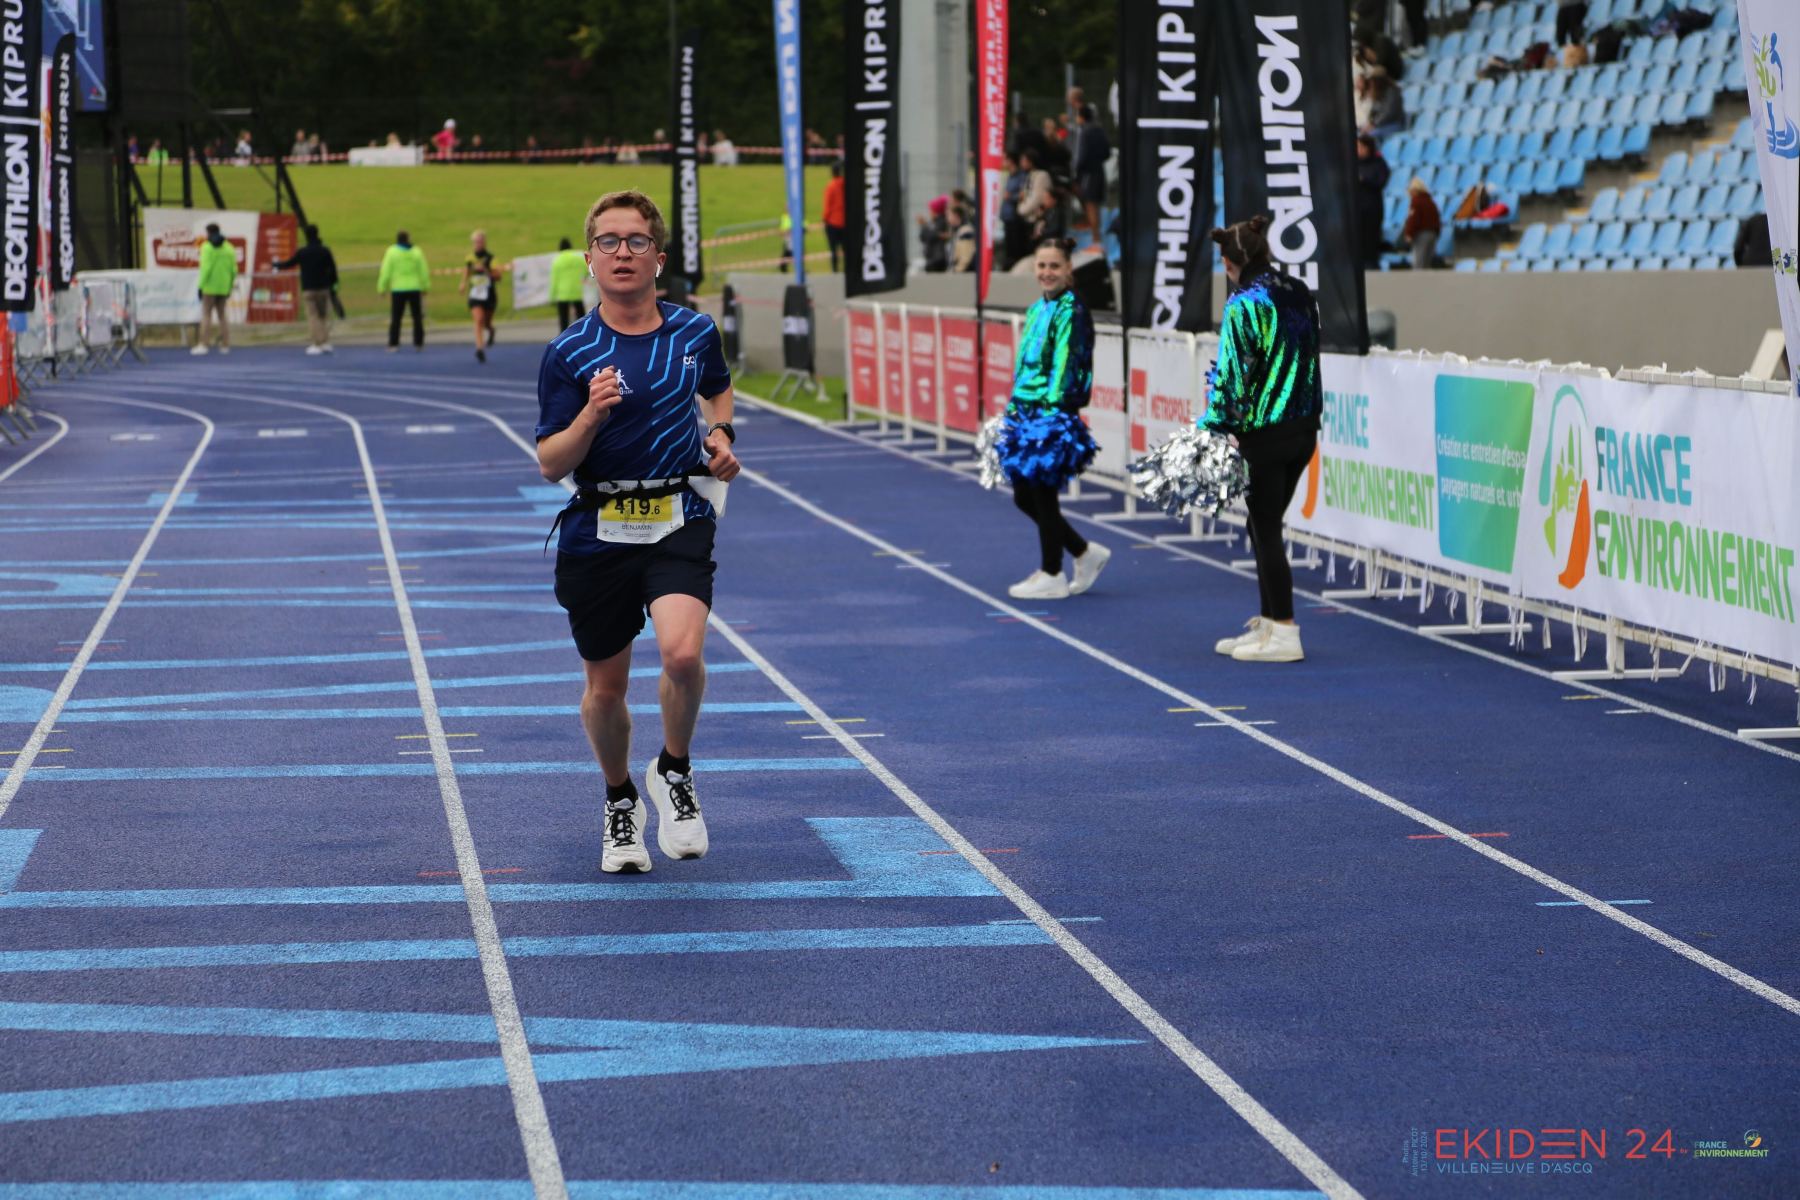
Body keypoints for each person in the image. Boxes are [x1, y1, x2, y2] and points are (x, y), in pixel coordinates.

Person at [534, 189, 742, 875]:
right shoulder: (569, 351)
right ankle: (620, 797)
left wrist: (721, 433)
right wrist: (590, 416)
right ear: (589, 258)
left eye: (636, 241)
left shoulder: (694, 332)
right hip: (599, 526)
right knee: (606, 689)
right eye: (608, 241)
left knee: (682, 655)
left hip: (680, 513)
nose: (622, 252)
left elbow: (717, 388)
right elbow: (550, 463)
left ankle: (674, 770)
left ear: (658, 257)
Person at [1204, 215, 1322, 664]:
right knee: (1262, 525)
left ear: (1228, 262)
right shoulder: (1299, 291)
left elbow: (1233, 374)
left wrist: (1214, 428)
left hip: (1266, 433)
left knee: (1266, 528)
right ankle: (1270, 624)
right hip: (1304, 429)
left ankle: (1286, 631)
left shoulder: (1242, 303)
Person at [998, 237, 1109, 601]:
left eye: (1054, 266)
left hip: (1050, 416)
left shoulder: (1072, 310)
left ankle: (1052, 572)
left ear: (1068, 269)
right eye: (1042, 265)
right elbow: (1024, 363)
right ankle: (1084, 552)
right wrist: (1014, 408)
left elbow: (1066, 365)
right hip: (1025, 413)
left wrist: (1051, 413)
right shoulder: (1036, 309)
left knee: (1043, 496)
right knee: (1023, 496)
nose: (1047, 272)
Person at [273, 223, 340, 354]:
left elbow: (290, 263)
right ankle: (325, 341)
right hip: (323, 288)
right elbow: (333, 269)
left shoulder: (303, 252)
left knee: (313, 316)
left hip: (309, 288)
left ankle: (317, 343)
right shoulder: (325, 251)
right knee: (324, 316)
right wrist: (333, 284)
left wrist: (277, 265)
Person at [377, 230, 430, 351]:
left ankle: (393, 343)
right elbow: (423, 270)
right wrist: (425, 286)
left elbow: (386, 270)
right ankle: (419, 343)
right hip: (414, 287)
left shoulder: (392, 252)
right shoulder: (416, 252)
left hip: (398, 288)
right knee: (417, 317)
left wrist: (382, 287)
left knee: (396, 317)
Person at [192, 223, 236, 356]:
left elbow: (206, 268)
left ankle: (204, 344)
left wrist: (201, 286)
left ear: (208, 233)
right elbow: (234, 269)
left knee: (206, 315)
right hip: (223, 286)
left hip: (209, 287)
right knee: (222, 316)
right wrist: (229, 285)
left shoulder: (207, 247)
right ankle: (225, 345)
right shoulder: (229, 248)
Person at [1072, 104, 1111, 241]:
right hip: (1099, 170)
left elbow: (1082, 155)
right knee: (1096, 204)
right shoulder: (1099, 129)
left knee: (1090, 204)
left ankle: (1096, 238)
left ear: (1081, 117)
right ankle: (1096, 235)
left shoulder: (1085, 132)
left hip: (1088, 173)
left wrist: (1078, 174)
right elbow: (1107, 152)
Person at [462, 229, 501, 363]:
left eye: (480, 242)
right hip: (475, 295)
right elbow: (467, 271)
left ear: (484, 242)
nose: (477, 244)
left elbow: (498, 276)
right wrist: (463, 283)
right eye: (475, 242)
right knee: (478, 320)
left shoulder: (491, 258)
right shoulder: (470, 258)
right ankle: (480, 349)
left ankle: (491, 330)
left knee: (486, 323)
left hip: (489, 295)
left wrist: (486, 271)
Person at [1355, 135, 1391, 268]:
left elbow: (1381, 182)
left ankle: (1372, 264)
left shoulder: (1378, 163)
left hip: (1372, 208)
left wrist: (1364, 180)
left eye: (1360, 146)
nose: (1357, 150)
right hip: (1356, 208)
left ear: (1367, 148)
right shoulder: (1353, 163)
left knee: (1371, 238)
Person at [1402, 178, 1441, 270]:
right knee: (1426, 263)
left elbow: (1413, 219)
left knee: (1418, 262)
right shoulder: (1430, 202)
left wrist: (1409, 233)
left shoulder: (1416, 202)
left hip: (1421, 235)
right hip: (1432, 234)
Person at [551, 236, 589, 329]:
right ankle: (584, 333)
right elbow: (587, 268)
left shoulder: (557, 260)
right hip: (576, 291)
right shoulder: (578, 258)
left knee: (563, 319)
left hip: (562, 293)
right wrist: (584, 277)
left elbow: (554, 280)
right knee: (581, 317)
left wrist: (552, 297)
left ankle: (564, 335)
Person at [822, 161, 847, 272]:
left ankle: (835, 269)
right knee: (846, 248)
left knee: (833, 249)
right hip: (845, 222)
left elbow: (827, 205)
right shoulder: (845, 185)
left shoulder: (830, 186)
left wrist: (825, 218)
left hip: (832, 222)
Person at [918, 196, 951, 272]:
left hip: (937, 259)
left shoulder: (941, 222)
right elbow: (923, 237)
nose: (929, 213)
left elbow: (931, 236)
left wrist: (924, 225)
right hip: (934, 258)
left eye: (931, 210)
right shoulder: (934, 222)